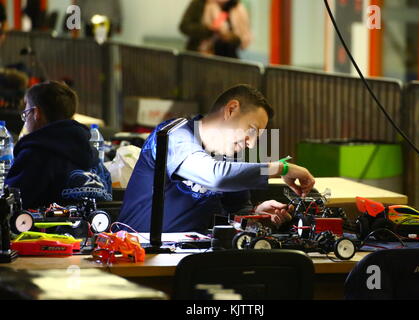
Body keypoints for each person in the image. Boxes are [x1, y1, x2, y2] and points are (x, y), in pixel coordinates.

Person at [118, 84, 315, 233]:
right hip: (139, 254)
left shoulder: (229, 157)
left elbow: (237, 209)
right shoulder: (173, 135)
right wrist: (281, 168)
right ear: (231, 109)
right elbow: (215, 176)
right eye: (252, 130)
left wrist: (257, 213)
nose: (252, 144)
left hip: (189, 259)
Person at [5, 81, 112, 209]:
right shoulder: (94, 157)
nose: (25, 119)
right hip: (98, 228)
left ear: (36, 113)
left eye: (26, 113)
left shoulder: (35, 155)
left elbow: (10, 205)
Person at [179, 0, 251, 58]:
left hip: (227, 57)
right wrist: (209, 29)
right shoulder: (199, 3)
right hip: (199, 54)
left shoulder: (237, 8)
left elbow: (242, 39)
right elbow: (184, 26)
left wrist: (227, 36)